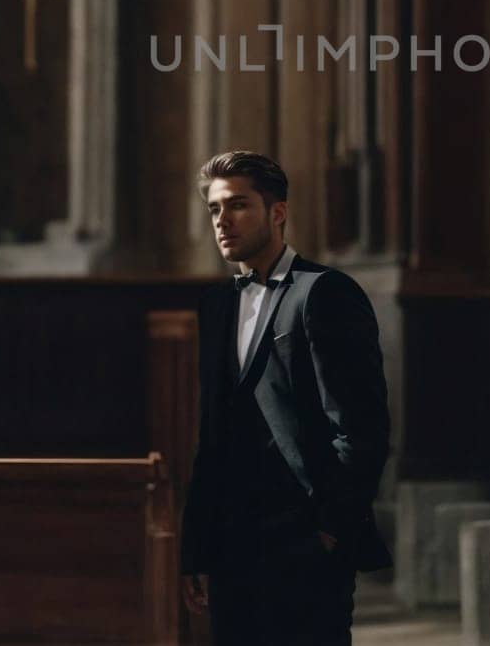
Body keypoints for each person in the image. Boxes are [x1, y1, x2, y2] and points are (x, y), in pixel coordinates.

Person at [179, 150, 393, 645]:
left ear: (277, 212)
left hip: (306, 542)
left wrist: (331, 532)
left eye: (238, 206)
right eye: (214, 209)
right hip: (233, 544)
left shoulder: (325, 293)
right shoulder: (216, 305)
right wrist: (197, 550)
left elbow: (361, 428)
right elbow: (211, 436)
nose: (223, 221)